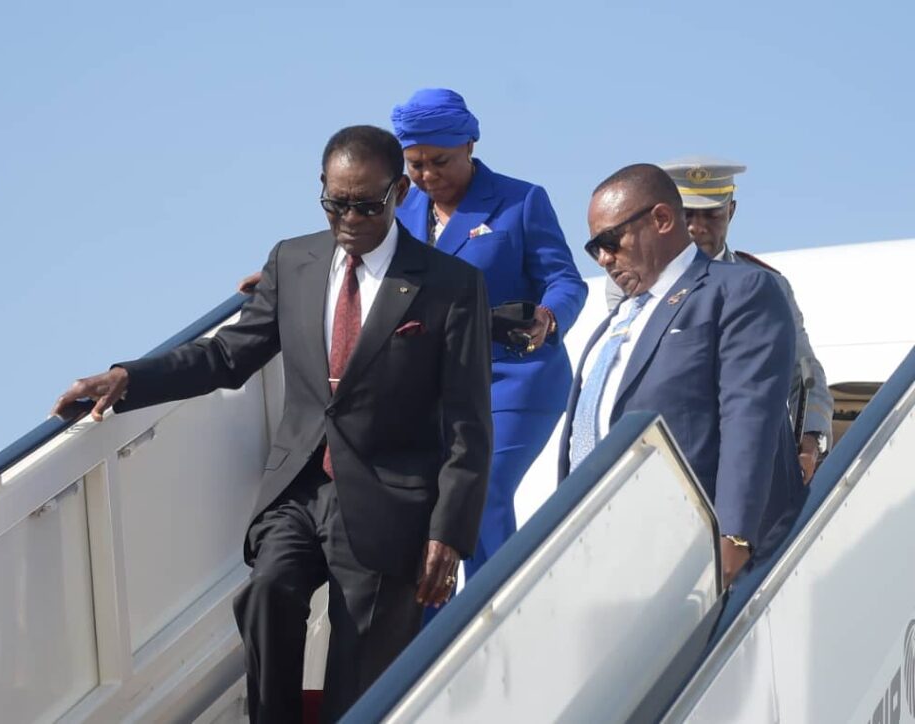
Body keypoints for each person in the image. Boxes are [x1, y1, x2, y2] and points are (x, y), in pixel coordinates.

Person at [52, 126, 493, 724]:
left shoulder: (451, 285)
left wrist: (450, 532)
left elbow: (469, 422)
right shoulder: (294, 261)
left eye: (366, 205)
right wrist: (129, 378)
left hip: (390, 504)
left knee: (358, 684)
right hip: (299, 489)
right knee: (266, 594)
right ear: (322, 190)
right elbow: (226, 355)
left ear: (398, 194)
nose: (350, 219)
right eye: (336, 204)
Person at [559, 163, 804, 587]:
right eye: (593, 248)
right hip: (603, 550)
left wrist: (734, 537)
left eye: (610, 241)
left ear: (661, 219)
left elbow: (749, 418)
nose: (603, 258)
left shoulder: (738, 290)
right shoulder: (616, 321)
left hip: (693, 552)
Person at [391, 88, 588, 581]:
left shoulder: (520, 201)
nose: (428, 175)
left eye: (440, 161)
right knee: (425, 507)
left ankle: (496, 608)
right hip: (432, 388)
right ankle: (432, 625)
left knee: (481, 490)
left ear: (470, 145)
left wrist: (548, 317)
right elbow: (354, 265)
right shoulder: (400, 211)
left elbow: (565, 280)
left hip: (513, 378)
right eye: (416, 165)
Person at [603, 157, 832, 482]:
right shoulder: (632, 282)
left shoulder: (769, 285)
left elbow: (804, 372)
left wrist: (809, 441)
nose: (697, 227)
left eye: (711, 215)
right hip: (662, 460)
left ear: (731, 212)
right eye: (687, 215)